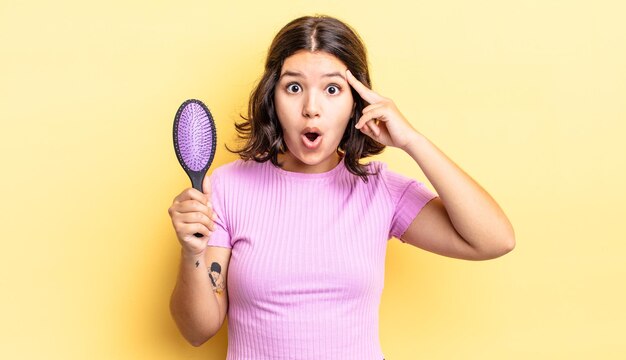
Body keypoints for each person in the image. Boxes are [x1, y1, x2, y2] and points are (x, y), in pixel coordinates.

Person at [168, 15, 515, 359]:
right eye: (293, 87)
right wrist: (191, 253)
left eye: (332, 89)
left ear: (355, 105)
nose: (311, 109)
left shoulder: (379, 190)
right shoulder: (227, 188)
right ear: (272, 98)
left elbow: (495, 240)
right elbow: (197, 331)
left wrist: (412, 140)